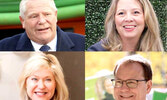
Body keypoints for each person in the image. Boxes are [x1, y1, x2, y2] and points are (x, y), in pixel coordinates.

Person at [0, 0, 85, 51]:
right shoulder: (4, 48)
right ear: (23, 21)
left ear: (55, 16)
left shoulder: (83, 44)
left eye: (47, 14)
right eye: (34, 16)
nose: (42, 21)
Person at [88, 0, 164, 51]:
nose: (128, 19)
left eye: (136, 12)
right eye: (121, 13)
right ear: (113, 20)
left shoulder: (159, 54)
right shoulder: (96, 51)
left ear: (147, 18)